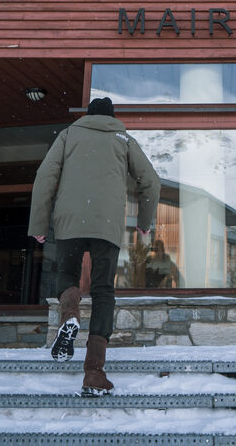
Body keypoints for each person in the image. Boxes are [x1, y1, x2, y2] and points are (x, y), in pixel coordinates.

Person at [29, 96, 159, 396]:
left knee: (67, 274)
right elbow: (151, 181)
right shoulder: (123, 139)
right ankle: (94, 372)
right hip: (106, 223)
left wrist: (38, 225)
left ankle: (70, 315)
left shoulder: (68, 134)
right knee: (103, 291)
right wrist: (144, 221)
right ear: (112, 118)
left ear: (87, 116)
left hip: (70, 219)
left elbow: (45, 176)